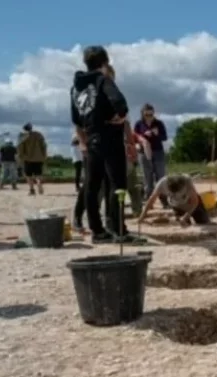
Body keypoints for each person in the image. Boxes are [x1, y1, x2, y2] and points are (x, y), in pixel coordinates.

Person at [70, 45, 136, 243]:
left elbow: (75, 117)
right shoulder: (102, 80)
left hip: (91, 138)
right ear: (105, 62)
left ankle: (97, 231)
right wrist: (119, 117)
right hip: (109, 136)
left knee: (92, 185)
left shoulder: (75, 87)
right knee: (118, 184)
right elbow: (120, 103)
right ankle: (118, 229)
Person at [139, 174, 210, 227]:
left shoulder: (187, 180)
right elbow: (151, 200)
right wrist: (142, 215)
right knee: (185, 225)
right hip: (177, 206)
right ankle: (177, 218)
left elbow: (195, 201)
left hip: (191, 203)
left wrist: (186, 216)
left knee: (204, 222)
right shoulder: (162, 183)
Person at [135, 103, 169, 209]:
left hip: (158, 152)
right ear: (142, 114)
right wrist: (144, 135)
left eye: (151, 114)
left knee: (161, 177)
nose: (149, 117)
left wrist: (156, 134)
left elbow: (165, 137)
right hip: (143, 152)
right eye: (147, 115)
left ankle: (164, 201)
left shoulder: (159, 123)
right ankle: (149, 202)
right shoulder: (138, 124)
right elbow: (134, 137)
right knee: (147, 177)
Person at [16, 123, 47, 195]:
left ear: (24, 129)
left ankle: (32, 189)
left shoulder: (22, 136)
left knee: (28, 175)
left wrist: (20, 156)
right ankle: (39, 183)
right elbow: (44, 145)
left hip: (28, 159)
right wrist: (44, 155)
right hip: (39, 158)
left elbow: (20, 147)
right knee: (38, 174)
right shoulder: (39, 134)